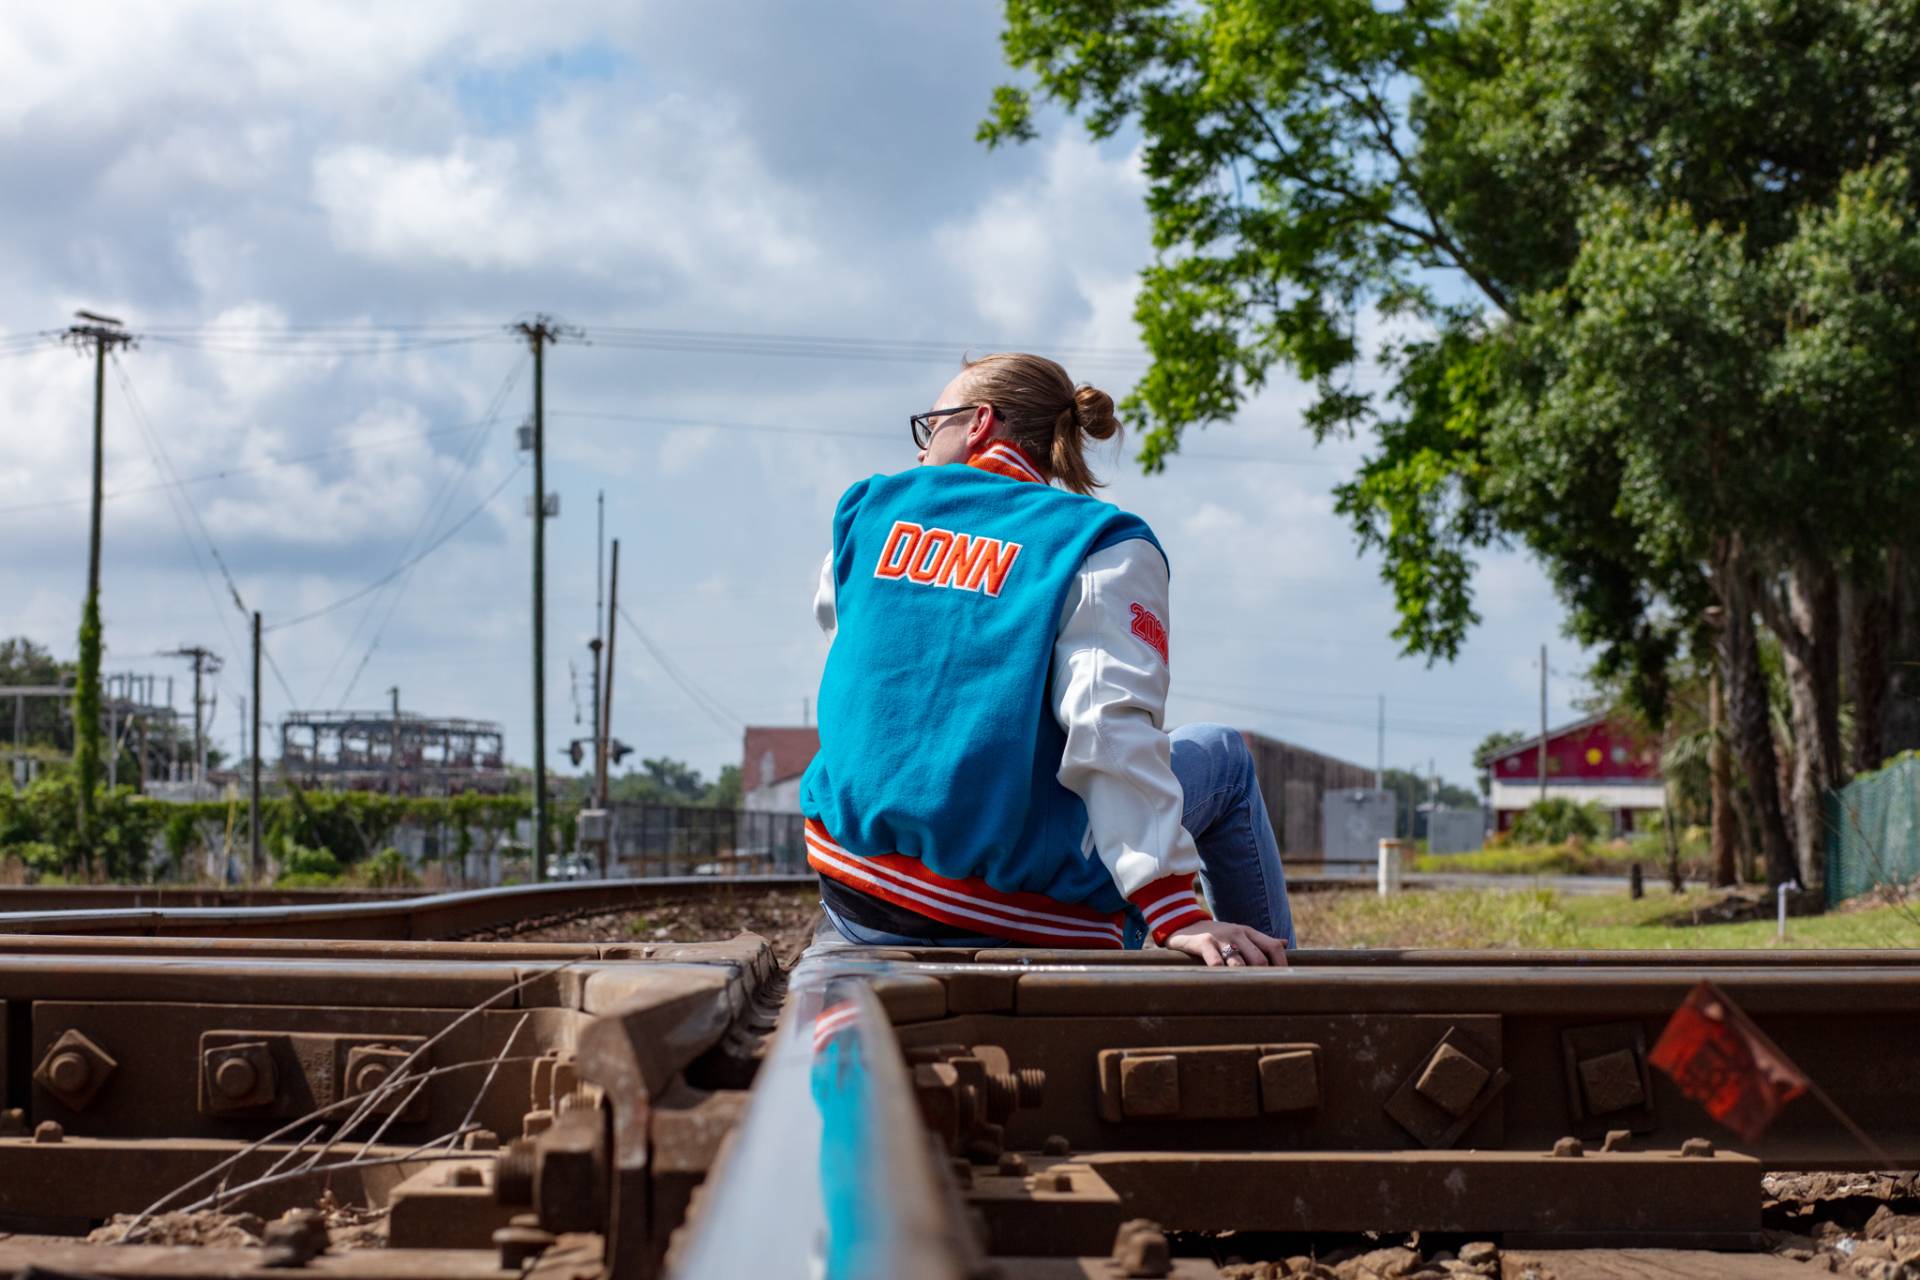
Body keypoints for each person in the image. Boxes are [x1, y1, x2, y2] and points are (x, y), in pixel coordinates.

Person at [800, 352, 1293, 967]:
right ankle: (1270, 977)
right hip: (1017, 915)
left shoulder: (865, 512)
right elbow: (1108, 728)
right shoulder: (1101, 545)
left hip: (856, 898)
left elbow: (854, 672)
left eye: (930, 427)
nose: (922, 452)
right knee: (1221, 753)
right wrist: (1175, 909)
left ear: (978, 423)